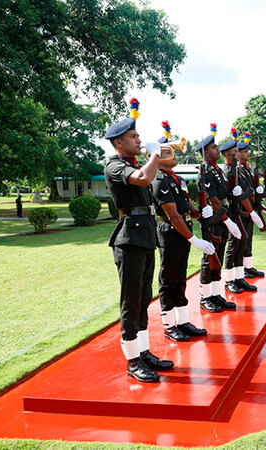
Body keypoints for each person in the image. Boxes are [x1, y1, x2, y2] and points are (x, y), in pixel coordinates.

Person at [104, 111, 173, 383]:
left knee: (145, 299)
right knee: (131, 301)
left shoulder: (133, 163)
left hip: (144, 236)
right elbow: (143, 179)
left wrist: (154, 158)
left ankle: (143, 352)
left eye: (137, 135)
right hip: (129, 239)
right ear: (118, 142)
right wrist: (154, 156)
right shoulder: (115, 166)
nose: (138, 139)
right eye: (133, 136)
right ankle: (132, 361)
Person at [152, 129, 215, 341]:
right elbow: (173, 215)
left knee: (180, 278)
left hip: (182, 231)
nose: (176, 154)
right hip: (171, 233)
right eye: (170, 151)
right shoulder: (159, 179)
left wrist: (200, 213)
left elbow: (187, 208)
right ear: (158, 157)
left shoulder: (177, 179)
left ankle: (183, 321)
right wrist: (193, 238)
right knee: (168, 280)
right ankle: (169, 326)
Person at [197, 134, 242, 312]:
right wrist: (228, 221)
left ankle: (215, 294)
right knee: (209, 259)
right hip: (214, 220)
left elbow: (223, 195)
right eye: (214, 148)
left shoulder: (217, 170)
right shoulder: (206, 171)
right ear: (206, 152)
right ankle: (205, 296)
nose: (217, 149)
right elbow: (214, 201)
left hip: (222, 217)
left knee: (219, 257)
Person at [221, 136, 264, 294]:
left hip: (240, 212)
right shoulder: (227, 171)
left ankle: (239, 277)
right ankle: (229, 280)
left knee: (240, 246)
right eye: (235, 152)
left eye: (239, 151)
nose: (238, 154)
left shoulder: (238, 170)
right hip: (232, 214)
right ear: (227, 154)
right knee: (233, 247)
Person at [237, 134, 266, 279]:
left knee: (248, 238)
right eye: (246, 151)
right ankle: (242, 270)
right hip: (243, 209)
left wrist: (263, 189)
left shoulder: (247, 169)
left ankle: (248, 266)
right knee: (241, 241)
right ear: (239, 154)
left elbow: (253, 188)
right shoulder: (238, 170)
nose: (249, 153)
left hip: (251, 207)